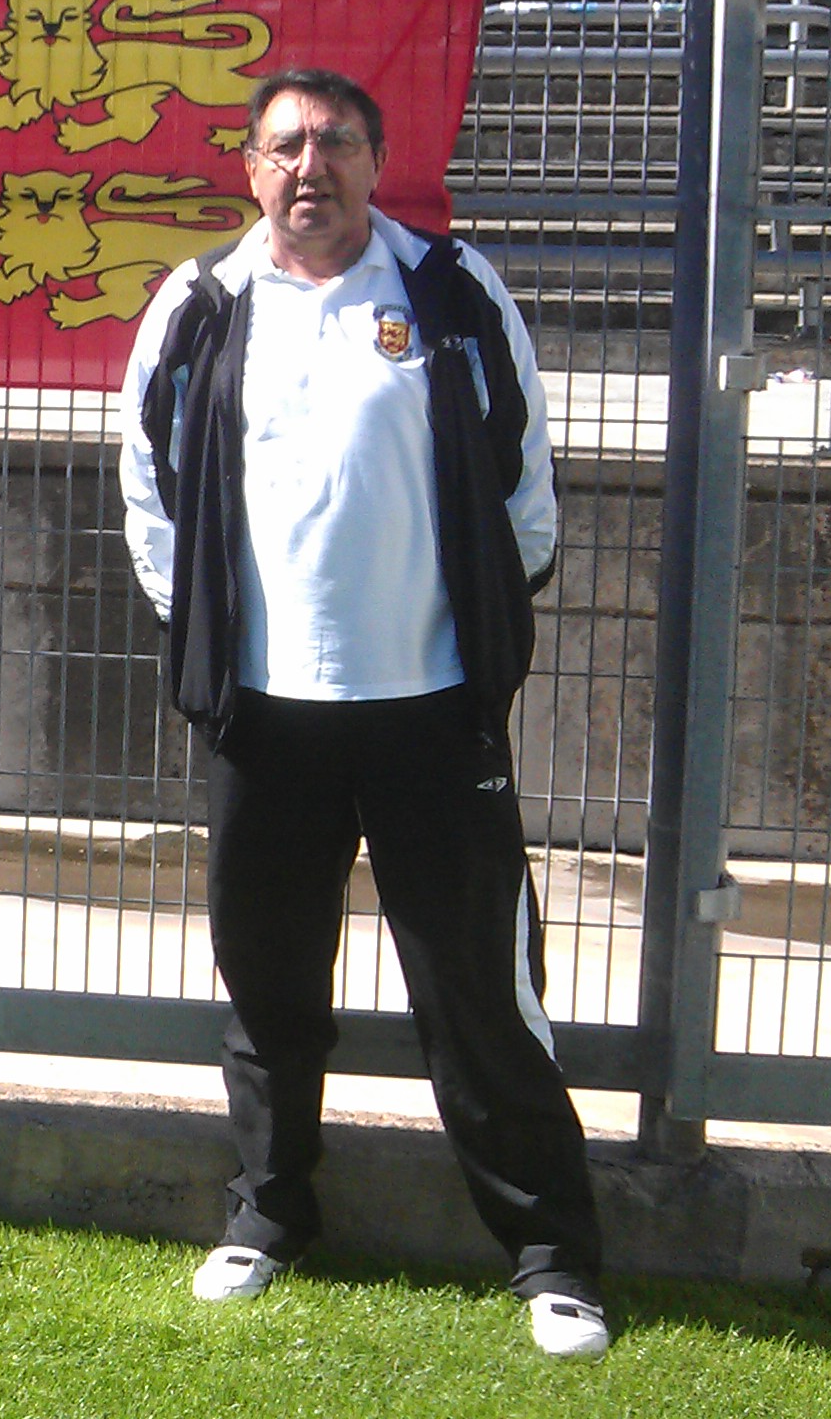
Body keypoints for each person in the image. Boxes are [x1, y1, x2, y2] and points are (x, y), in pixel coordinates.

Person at [117, 66, 608, 1359]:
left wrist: (480, 630)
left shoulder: (449, 290)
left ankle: (553, 1255)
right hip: (265, 716)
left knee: (479, 991)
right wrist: (209, 637)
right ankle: (268, 1213)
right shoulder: (202, 304)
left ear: (376, 164)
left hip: (431, 710)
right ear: (247, 167)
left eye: (336, 142)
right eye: (284, 145)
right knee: (269, 980)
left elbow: (524, 479)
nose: (310, 167)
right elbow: (151, 488)